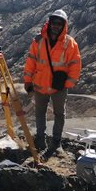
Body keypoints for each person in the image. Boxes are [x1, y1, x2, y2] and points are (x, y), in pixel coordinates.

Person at [23, 9, 82, 156]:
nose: (56, 26)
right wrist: (28, 81)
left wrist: (67, 84)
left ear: (64, 25)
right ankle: (40, 141)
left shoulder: (70, 43)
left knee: (59, 114)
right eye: (54, 22)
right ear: (50, 23)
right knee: (39, 113)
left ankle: (56, 143)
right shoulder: (39, 41)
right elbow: (31, 61)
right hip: (40, 84)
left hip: (59, 88)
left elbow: (75, 65)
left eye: (59, 23)